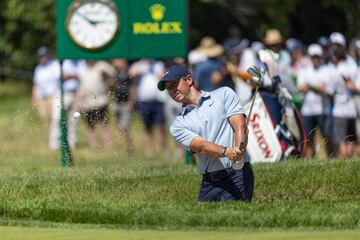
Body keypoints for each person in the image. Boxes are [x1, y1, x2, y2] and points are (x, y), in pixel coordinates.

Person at [157, 64, 254, 202]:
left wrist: (239, 150)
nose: (171, 91)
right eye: (168, 89)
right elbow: (201, 146)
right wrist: (227, 152)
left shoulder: (224, 94)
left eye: (174, 84)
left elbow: (239, 125)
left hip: (237, 174)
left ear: (189, 79)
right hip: (210, 182)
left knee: (235, 219)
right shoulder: (178, 125)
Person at [75, 60, 116, 150]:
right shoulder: (82, 71)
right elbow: (81, 88)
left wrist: (105, 74)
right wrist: (78, 103)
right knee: (90, 126)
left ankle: (109, 146)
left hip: (101, 101)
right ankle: (94, 146)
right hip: (87, 103)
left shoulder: (101, 65)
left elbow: (112, 75)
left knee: (104, 124)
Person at [32, 47, 60, 148]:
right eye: (41, 56)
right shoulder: (38, 69)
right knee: (45, 119)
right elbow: (36, 84)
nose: (42, 58)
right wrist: (34, 98)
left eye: (44, 56)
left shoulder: (54, 65)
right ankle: (48, 139)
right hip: (41, 98)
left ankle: (55, 140)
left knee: (54, 118)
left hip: (52, 96)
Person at [110, 59, 135, 155]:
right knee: (120, 126)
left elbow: (132, 88)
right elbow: (112, 85)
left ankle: (129, 147)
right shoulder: (116, 73)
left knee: (125, 127)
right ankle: (126, 146)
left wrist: (131, 102)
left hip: (126, 104)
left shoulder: (128, 73)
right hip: (117, 103)